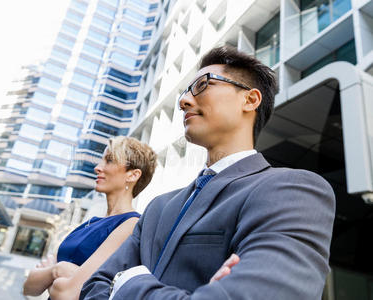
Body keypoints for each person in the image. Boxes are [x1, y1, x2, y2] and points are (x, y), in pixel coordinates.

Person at [80, 46, 336, 299]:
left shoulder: (292, 191)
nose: (183, 101)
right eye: (185, 92)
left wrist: (129, 282)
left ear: (250, 99)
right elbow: (95, 287)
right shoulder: (158, 208)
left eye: (202, 85)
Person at [22, 136, 157, 300]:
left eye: (109, 160)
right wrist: (57, 270)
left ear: (133, 175)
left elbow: (67, 293)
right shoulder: (90, 222)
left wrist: (52, 274)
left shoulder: (131, 225)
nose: (97, 168)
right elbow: (29, 287)